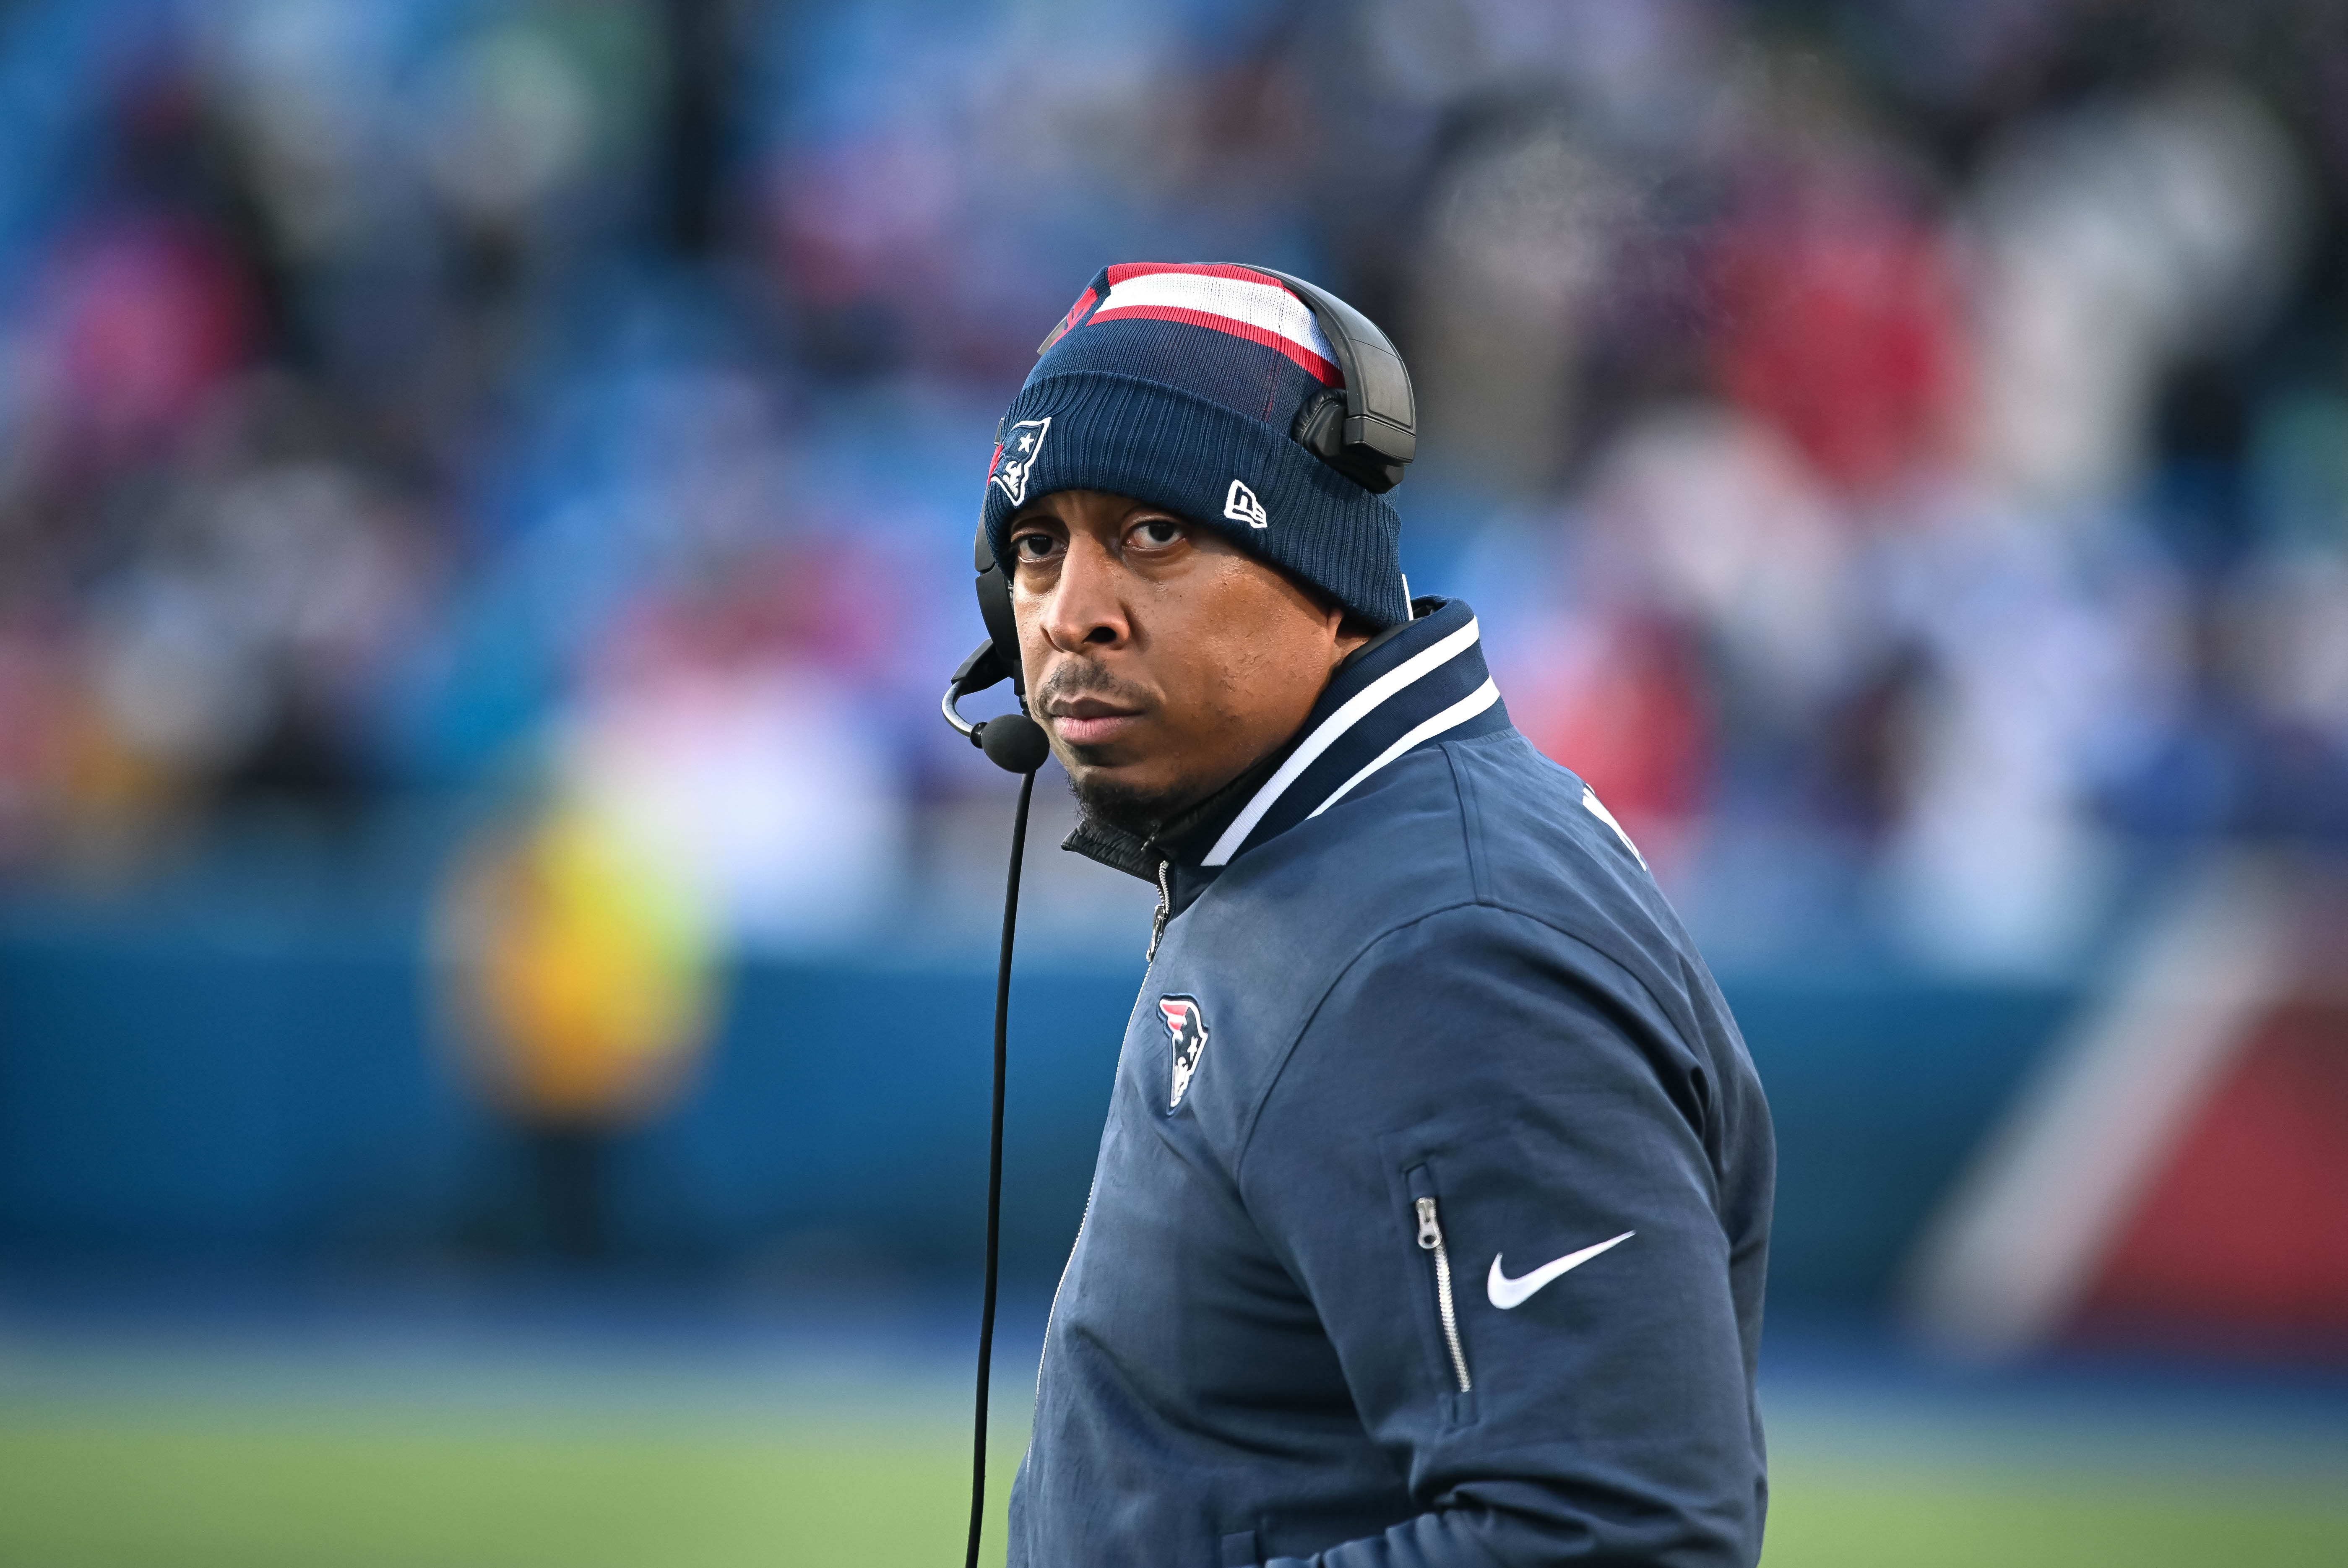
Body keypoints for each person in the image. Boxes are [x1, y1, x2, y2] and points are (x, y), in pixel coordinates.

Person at [986, 262, 1773, 1567]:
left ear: (1320, 565)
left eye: (1153, 534)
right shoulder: (1314, 854)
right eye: (1034, 544)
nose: (1070, 613)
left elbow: (1624, 1536)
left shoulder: (1443, 939)